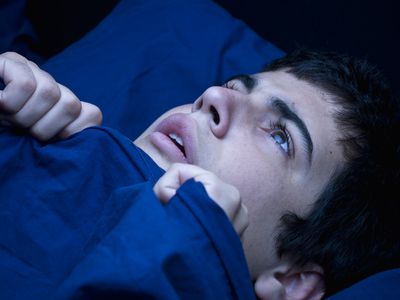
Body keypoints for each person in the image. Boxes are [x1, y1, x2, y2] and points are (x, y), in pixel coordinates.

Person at [0, 50, 399, 299]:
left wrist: (190, 239)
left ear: (292, 279)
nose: (214, 97)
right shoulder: (33, 124)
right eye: (233, 87)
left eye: (280, 137)